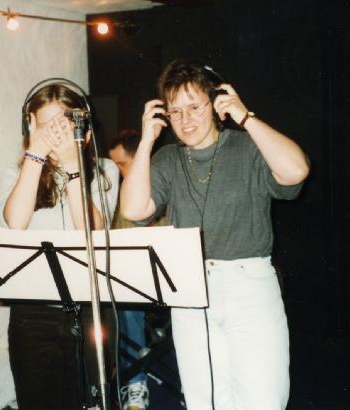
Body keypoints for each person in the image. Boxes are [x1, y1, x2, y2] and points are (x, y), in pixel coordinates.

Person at [120, 60, 310, 409]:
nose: (185, 120)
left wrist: (246, 117)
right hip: (190, 291)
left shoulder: (247, 146)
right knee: (203, 401)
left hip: (248, 285)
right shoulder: (168, 159)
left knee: (262, 399)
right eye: (175, 111)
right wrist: (146, 142)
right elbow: (134, 210)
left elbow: (296, 171)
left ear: (215, 103)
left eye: (194, 107)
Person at [0, 83, 119, 409]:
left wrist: (74, 167)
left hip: (89, 308)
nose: (54, 136)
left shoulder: (105, 171)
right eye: (45, 127)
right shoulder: (17, 173)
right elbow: (16, 222)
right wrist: (35, 153)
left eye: (62, 127)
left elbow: (91, 232)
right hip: (32, 314)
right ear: (30, 127)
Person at [108, 129, 168, 410]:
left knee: (126, 303)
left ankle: (135, 384)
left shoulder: (160, 183)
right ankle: (114, 370)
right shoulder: (124, 189)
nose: (118, 172)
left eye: (122, 164)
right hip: (132, 274)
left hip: (162, 275)